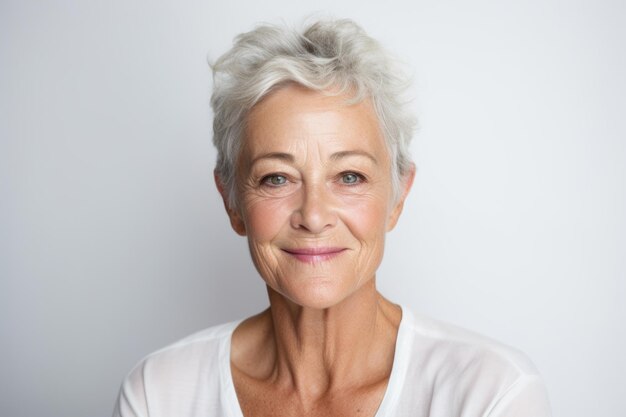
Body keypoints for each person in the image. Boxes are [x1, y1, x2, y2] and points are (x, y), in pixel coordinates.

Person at [113, 18, 551, 417]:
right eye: (277, 179)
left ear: (398, 197)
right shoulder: (159, 395)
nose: (314, 215)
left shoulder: (492, 394)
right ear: (231, 200)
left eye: (349, 175)